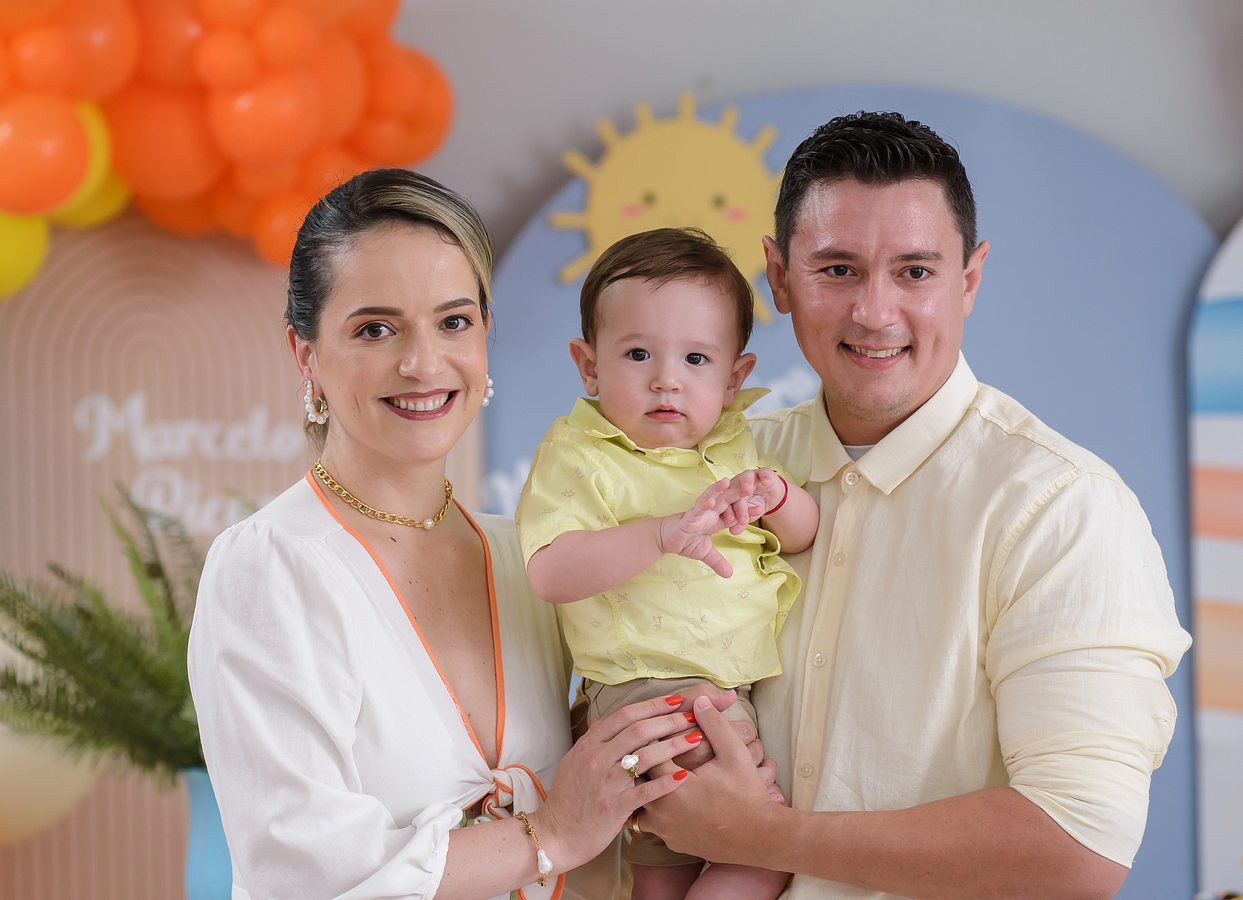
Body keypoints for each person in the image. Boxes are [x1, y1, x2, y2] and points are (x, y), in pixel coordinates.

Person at [636, 111, 1193, 898]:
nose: (874, 311)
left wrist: (757, 837)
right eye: (837, 269)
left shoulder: (1061, 509)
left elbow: (1076, 847)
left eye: (915, 272)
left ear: (968, 278)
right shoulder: (710, 469)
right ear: (779, 278)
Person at [187, 169, 749, 900]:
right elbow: (302, 868)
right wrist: (549, 834)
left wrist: (701, 758)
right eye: (375, 329)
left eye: (453, 322)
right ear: (306, 356)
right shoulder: (272, 566)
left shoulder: (526, 558)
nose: (422, 363)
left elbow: (608, 805)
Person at [516, 227, 819, 900]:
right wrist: (657, 535)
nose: (666, 380)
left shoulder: (734, 449)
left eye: (695, 358)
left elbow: (804, 535)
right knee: (764, 853)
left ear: (734, 377)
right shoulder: (581, 454)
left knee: (662, 870)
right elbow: (550, 571)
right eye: (636, 354)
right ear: (588, 365)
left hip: (713, 694)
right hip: (656, 692)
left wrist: (776, 496)